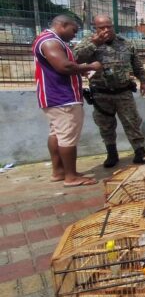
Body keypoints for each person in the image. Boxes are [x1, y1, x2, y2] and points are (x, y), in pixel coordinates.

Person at [32, 15, 102, 187]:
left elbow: (63, 66)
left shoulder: (49, 40)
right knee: (67, 138)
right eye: (73, 30)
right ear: (63, 25)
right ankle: (71, 177)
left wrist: (79, 71)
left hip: (56, 97)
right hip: (62, 97)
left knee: (56, 134)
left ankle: (59, 172)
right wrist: (90, 66)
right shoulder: (50, 41)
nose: (74, 34)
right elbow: (63, 66)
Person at [74, 16, 145, 168]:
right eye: (102, 28)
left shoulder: (125, 43)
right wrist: (95, 43)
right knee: (105, 125)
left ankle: (140, 152)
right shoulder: (89, 42)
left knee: (132, 122)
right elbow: (75, 58)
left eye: (109, 26)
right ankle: (112, 153)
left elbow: (137, 64)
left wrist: (144, 81)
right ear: (95, 28)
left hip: (123, 92)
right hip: (101, 93)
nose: (106, 30)